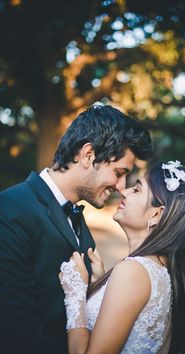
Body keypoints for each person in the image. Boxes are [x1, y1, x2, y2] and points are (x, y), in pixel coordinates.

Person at [0, 103, 153, 354]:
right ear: (88, 155)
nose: (121, 185)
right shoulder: (10, 210)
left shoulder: (78, 220)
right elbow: (14, 332)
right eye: (118, 172)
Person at [60, 160, 185, 354]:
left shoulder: (133, 272)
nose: (124, 191)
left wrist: (75, 293)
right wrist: (103, 284)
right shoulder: (162, 272)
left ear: (156, 215)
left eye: (136, 189)